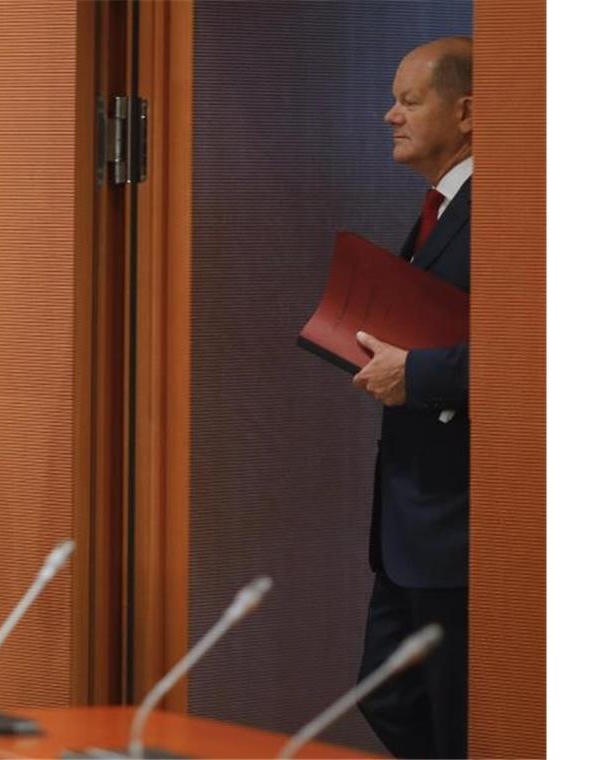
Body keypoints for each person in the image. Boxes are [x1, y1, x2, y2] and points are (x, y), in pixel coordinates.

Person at [351, 37, 472, 759]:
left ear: (467, 113)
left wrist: (417, 375)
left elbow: (543, 355)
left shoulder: (509, 211)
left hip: (460, 518)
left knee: (458, 718)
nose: (388, 114)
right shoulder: (439, 207)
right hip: (411, 521)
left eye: (408, 101)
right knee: (386, 691)